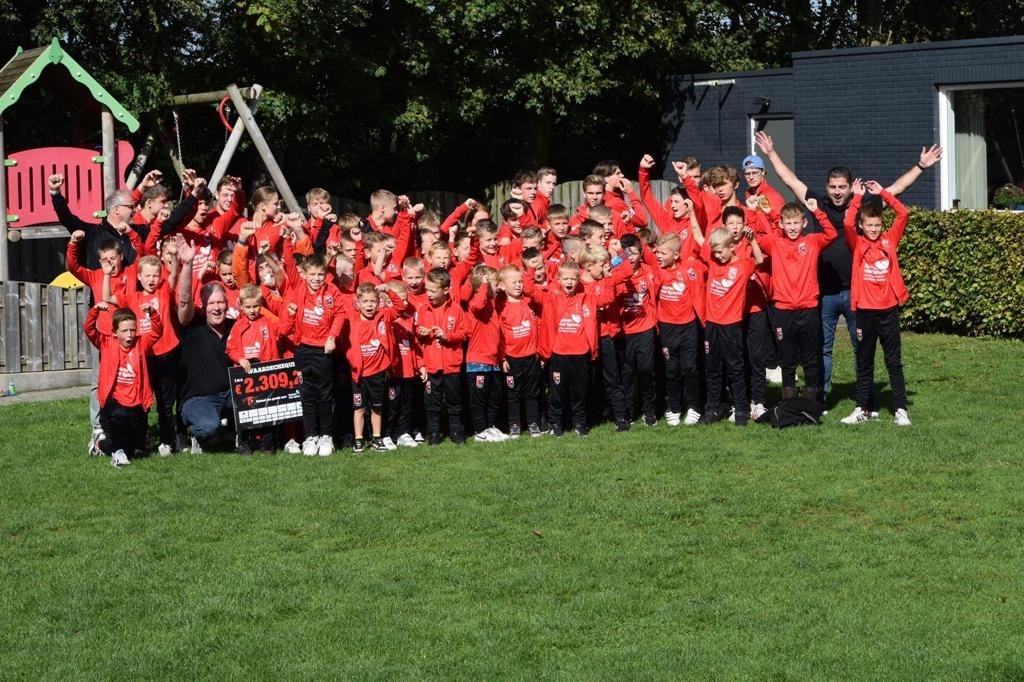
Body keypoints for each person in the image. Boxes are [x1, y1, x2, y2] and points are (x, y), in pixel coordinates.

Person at [755, 131, 942, 406]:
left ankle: (863, 399)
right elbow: (790, 180)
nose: (838, 191)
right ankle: (820, 398)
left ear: (849, 186)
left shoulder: (865, 204)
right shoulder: (817, 203)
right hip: (825, 292)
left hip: (858, 292)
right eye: (833, 187)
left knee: (861, 348)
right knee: (822, 349)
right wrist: (771, 153)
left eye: (842, 186)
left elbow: (896, 190)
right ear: (827, 187)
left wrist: (921, 166)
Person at [840, 180, 913, 426]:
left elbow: (903, 214)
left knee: (893, 361)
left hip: (888, 311)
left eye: (877, 225)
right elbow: (846, 223)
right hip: (864, 312)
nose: (873, 229)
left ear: (883, 225)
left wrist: (883, 193)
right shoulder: (857, 242)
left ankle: (901, 409)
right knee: (864, 361)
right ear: (862, 225)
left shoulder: (889, 240)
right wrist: (858, 198)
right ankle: (863, 408)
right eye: (869, 225)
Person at [758, 199, 837, 402]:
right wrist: (764, 213)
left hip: (808, 309)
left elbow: (831, 234)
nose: (792, 228)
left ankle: (811, 402)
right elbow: (755, 239)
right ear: (782, 224)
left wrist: (816, 211)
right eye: (788, 223)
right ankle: (789, 403)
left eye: (796, 223)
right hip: (783, 311)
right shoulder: (775, 243)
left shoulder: (812, 241)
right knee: (787, 360)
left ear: (803, 224)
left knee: (811, 358)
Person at [85, 303, 162, 467]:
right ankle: (117, 454)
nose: (130, 334)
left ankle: (100, 445)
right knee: (120, 418)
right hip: (114, 402)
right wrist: (95, 311)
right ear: (114, 332)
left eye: (133, 330)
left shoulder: (140, 344)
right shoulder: (106, 343)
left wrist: (153, 314)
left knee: (135, 450)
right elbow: (89, 330)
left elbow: (157, 332)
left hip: (136, 401)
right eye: (125, 331)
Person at [701, 225, 764, 425]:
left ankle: (741, 411)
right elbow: (698, 235)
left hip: (732, 325)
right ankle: (712, 409)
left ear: (732, 248)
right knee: (712, 368)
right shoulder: (712, 262)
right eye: (715, 252)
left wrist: (752, 240)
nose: (717, 256)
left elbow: (760, 259)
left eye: (721, 251)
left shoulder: (742, 266)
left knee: (735, 368)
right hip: (712, 324)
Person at [225, 285, 297, 453]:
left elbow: (285, 329)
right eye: (248, 307)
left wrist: (292, 316)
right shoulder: (237, 326)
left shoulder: (268, 322)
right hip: (246, 375)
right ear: (241, 306)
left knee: (268, 407)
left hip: (266, 375)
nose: (252, 310)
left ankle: (268, 443)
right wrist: (240, 359)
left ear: (261, 305)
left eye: (256, 306)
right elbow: (230, 349)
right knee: (246, 408)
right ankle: (246, 443)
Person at [347, 282, 408, 452]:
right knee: (358, 408)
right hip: (358, 374)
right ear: (357, 303)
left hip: (378, 373)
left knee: (377, 407)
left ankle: (376, 438)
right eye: (365, 301)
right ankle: (359, 439)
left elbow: (401, 306)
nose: (369, 305)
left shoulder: (383, 316)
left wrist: (388, 290)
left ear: (378, 302)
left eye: (373, 301)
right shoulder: (351, 319)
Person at [652, 232, 706, 426]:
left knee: (690, 368)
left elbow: (709, 256)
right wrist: (621, 254)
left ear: (675, 254)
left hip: (689, 326)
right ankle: (674, 407)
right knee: (671, 369)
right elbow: (630, 256)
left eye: (663, 253)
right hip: (667, 328)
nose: (659, 256)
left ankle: (694, 406)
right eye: (657, 252)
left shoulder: (690, 267)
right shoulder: (656, 271)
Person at [416, 268, 467, 445]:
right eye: (427, 289)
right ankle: (434, 433)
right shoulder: (423, 309)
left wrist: (446, 336)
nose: (428, 294)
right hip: (431, 364)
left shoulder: (456, 309)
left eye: (432, 290)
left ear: (445, 290)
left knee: (454, 401)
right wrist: (422, 332)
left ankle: (456, 431)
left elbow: (462, 334)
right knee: (432, 402)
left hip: (452, 364)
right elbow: (418, 332)